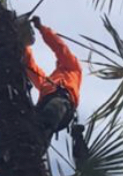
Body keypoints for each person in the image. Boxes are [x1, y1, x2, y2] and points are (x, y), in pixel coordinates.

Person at [22, 15, 82, 144]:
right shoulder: (47, 81)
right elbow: (30, 66)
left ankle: (39, 139)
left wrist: (41, 28)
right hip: (44, 105)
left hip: (61, 103)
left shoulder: (73, 68)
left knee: (50, 114)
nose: (58, 61)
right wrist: (23, 46)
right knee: (29, 129)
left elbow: (60, 48)